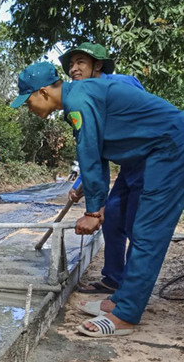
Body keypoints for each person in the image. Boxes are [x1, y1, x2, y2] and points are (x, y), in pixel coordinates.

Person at [11, 62, 184, 337]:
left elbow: (89, 153)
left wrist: (92, 213)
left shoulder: (78, 101)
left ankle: (125, 315)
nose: (28, 108)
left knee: (148, 231)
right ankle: (121, 298)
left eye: (28, 101)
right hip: (159, 149)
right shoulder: (78, 98)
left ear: (42, 92)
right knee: (137, 225)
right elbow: (99, 156)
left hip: (173, 148)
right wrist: (96, 207)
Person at [59, 42, 146, 296]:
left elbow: (95, 148)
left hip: (148, 161)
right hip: (129, 166)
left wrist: (91, 208)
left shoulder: (122, 84)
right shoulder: (87, 95)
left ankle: (130, 291)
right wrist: (80, 186)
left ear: (97, 65)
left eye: (80, 63)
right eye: (71, 65)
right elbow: (93, 148)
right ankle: (113, 278)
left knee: (136, 225)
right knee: (114, 218)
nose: (74, 69)